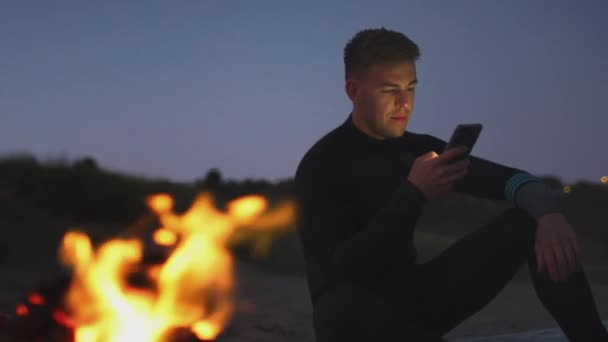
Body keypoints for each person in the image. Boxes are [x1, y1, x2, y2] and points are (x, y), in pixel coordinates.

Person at [294, 27, 608, 341]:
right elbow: (341, 271)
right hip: (359, 318)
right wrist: (413, 194)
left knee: (529, 222)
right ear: (353, 91)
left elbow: (511, 179)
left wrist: (548, 215)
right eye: (390, 90)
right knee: (339, 307)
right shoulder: (321, 164)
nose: (404, 103)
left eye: (411, 88)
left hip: (418, 297)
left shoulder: (418, 150)